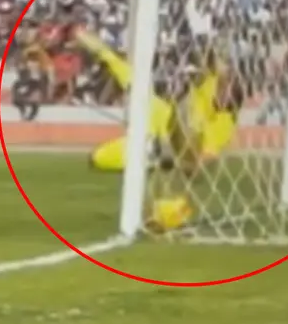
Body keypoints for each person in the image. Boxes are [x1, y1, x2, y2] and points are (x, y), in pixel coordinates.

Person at [74, 29, 249, 231]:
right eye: (223, 84)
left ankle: (162, 185)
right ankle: (102, 51)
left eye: (226, 89)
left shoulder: (223, 123)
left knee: (102, 158)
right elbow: (218, 66)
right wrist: (211, 47)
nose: (221, 86)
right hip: (163, 115)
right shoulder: (213, 81)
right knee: (135, 84)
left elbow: (200, 162)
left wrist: (176, 156)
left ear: (231, 99)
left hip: (168, 144)